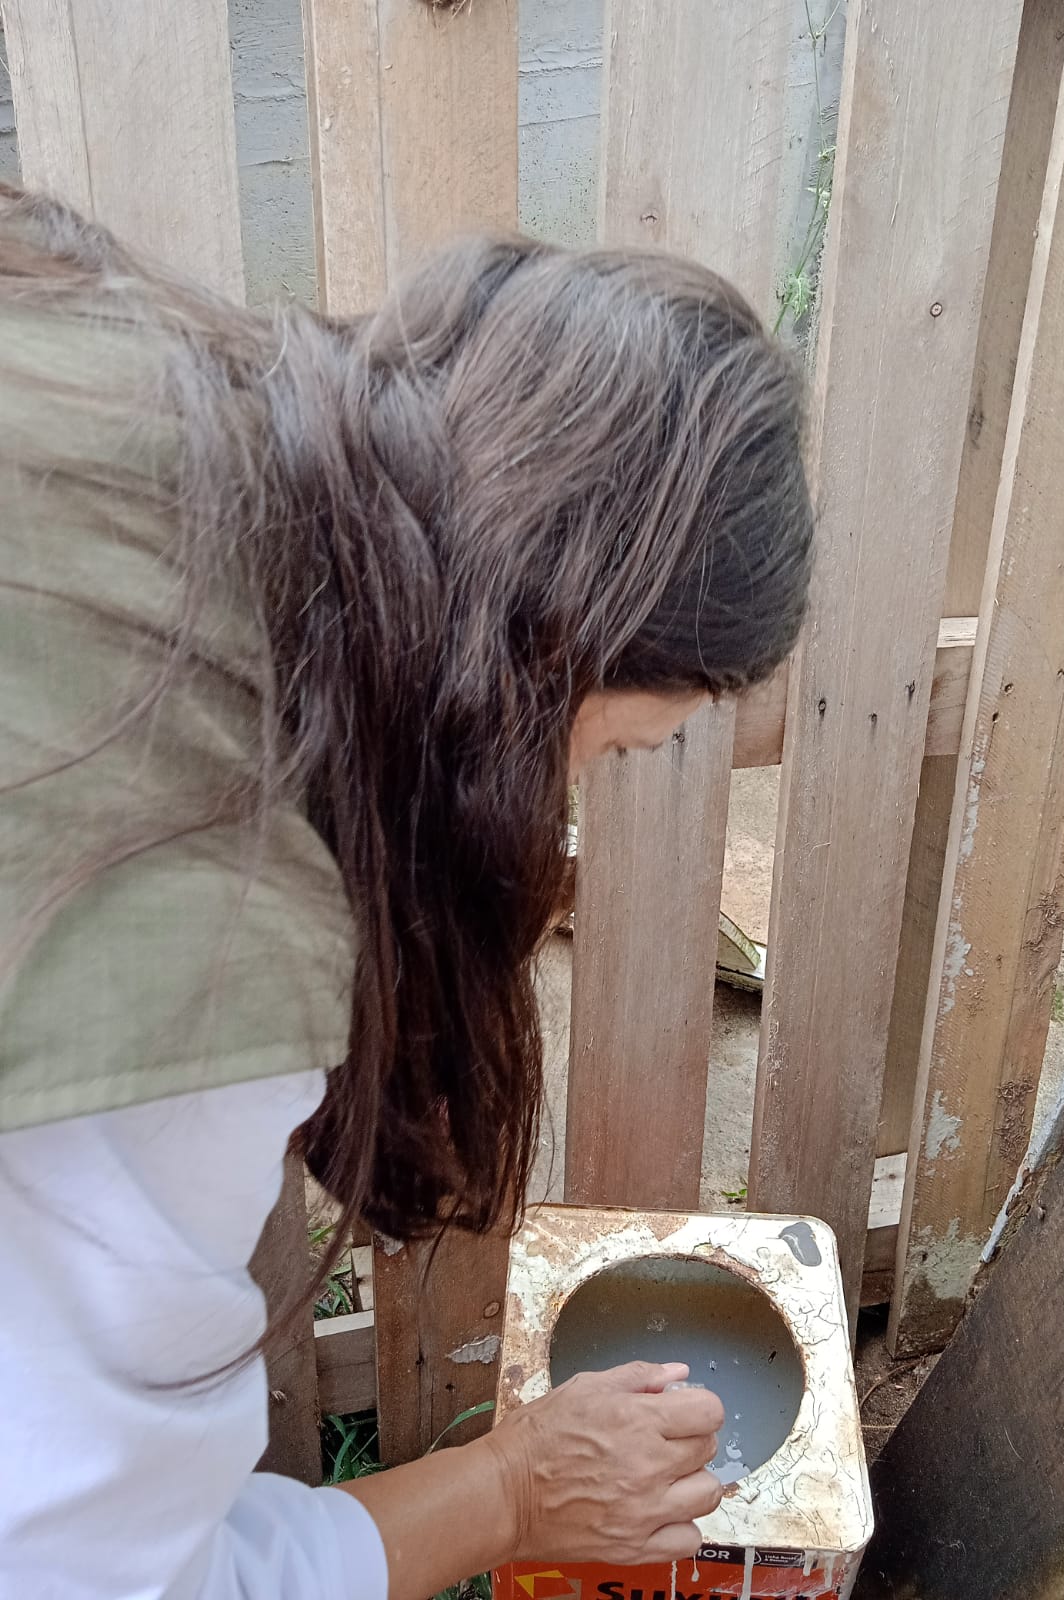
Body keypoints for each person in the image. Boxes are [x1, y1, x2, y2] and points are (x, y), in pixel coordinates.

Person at [0, 182, 814, 1600]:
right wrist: (509, 1488)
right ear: (543, 663)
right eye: (610, 751)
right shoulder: (208, 911)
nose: (566, 815)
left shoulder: (108, 382)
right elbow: (90, 1579)